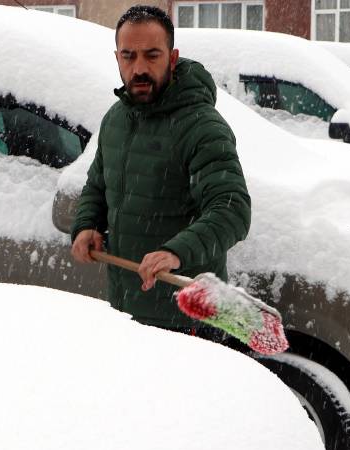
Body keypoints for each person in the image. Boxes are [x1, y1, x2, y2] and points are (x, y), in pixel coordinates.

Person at [70, 5, 251, 343]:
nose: (138, 68)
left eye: (152, 55)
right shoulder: (116, 120)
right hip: (125, 311)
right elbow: (98, 185)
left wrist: (176, 252)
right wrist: (87, 226)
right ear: (117, 58)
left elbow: (232, 210)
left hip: (188, 321)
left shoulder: (202, 127)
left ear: (172, 56)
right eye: (128, 56)